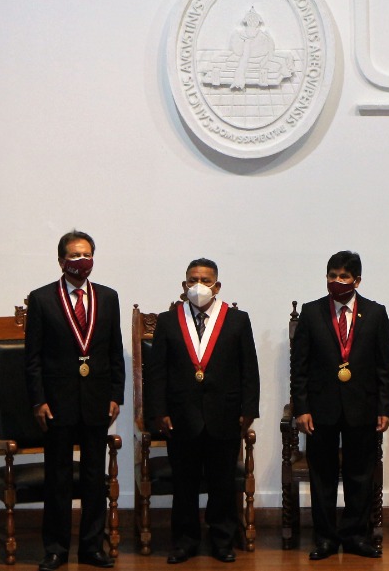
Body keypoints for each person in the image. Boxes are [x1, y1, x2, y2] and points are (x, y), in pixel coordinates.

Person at [144, 259, 260, 564]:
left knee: (222, 482)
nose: (199, 286)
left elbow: (249, 368)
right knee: (185, 484)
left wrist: (248, 410)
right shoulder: (169, 321)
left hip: (225, 414)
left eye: (206, 280)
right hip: (181, 417)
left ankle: (222, 540)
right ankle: (184, 541)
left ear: (217, 286)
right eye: (193, 280)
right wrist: (159, 411)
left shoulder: (237, 320)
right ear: (184, 286)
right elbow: (156, 372)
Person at [24, 231, 124, 571]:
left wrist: (116, 395)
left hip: (97, 402)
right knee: (59, 479)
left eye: (87, 254)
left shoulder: (108, 298)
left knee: (95, 479)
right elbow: (33, 357)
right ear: (61, 260)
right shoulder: (41, 299)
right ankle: (55, 549)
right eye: (74, 255)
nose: (81, 260)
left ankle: (92, 548)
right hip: (57, 403)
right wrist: (38, 400)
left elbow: (114, 352)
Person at [291, 251, 389, 560]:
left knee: (360, 475)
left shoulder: (375, 314)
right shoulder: (311, 313)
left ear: (357, 280)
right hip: (319, 410)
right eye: (331, 275)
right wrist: (301, 407)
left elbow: (383, 367)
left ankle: (354, 535)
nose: (336, 281)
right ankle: (324, 538)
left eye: (343, 276)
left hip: (362, 407)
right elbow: (300, 368)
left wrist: (384, 407)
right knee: (321, 475)